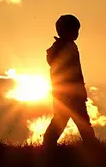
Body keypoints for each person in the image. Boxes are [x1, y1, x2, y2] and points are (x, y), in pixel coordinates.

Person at [42, 14, 99, 148]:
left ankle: (48, 143)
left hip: (64, 93)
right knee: (78, 121)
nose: (77, 33)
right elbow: (71, 72)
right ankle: (92, 145)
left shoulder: (62, 47)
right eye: (75, 30)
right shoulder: (66, 47)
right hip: (70, 93)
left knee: (64, 120)